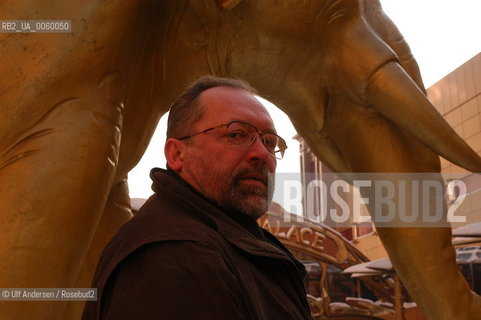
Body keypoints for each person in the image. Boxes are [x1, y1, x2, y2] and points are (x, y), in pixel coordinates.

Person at [82, 75, 313, 319]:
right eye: (236, 134)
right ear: (177, 154)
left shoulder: (226, 241)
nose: (262, 154)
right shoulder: (174, 255)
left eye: (269, 141)